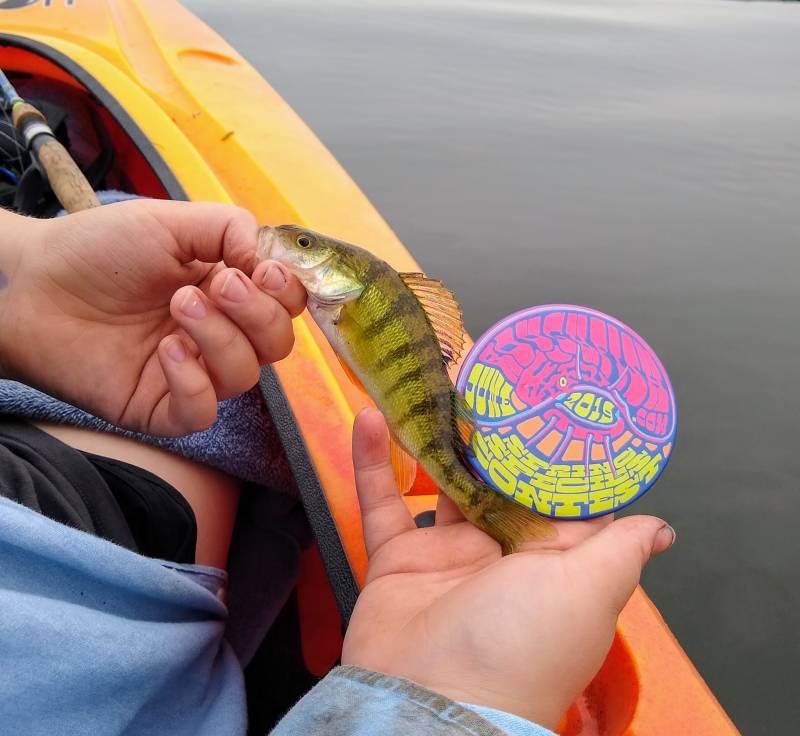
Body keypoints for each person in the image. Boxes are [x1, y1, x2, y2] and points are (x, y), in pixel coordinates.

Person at [0, 199, 675, 735]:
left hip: (48, 508)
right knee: (228, 401)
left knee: (213, 380)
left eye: (306, 249)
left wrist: (25, 274)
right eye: (302, 247)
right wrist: (451, 695)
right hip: (99, 544)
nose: (293, 251)